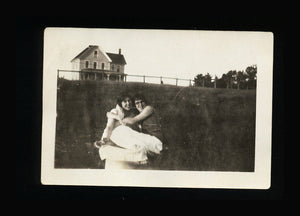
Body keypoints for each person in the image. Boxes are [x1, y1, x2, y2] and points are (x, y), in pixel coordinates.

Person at [95, 92, 162, 164]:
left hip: (155, 136)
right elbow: (109, 126)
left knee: (127, 133)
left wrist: (118, 119)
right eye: (125, 101)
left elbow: (132, 121)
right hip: (117, 134)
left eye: (129, 101)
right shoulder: (115, 111)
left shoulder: (146, 109)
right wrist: (105, 137)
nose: (140, 105)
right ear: (120, 103)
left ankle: (144, 152)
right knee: (123, 133)